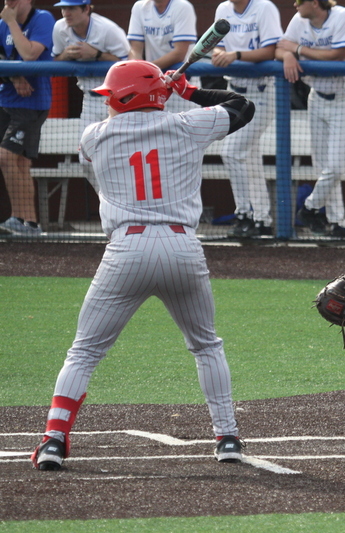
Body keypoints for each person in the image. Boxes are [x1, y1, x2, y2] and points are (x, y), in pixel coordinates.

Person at [30, 60, 255, 470]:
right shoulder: (188, 124)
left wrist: (165, 93)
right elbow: (243, 106)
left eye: (111, 96)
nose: (107, 103)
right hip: (182, 247)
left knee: (84, 352)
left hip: (126, 249)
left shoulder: (93, 136)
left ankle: (53, 441)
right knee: (206, 345)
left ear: (125, 97)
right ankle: (227, 438)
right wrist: (187, 91)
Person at [276, 0, 345, 238]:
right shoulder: (299, 20)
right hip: (316, 97)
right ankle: (337, 223)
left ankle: (310, 207)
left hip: (344, 96)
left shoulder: (343, 15)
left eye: (300, 1)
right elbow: (280, 48)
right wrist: (288, 55)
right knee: (322, 166)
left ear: (314, 2)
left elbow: (337, 54)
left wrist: (298, 50)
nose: (295, 4)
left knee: (337, 165)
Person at [213, 0, 282, 239]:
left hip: (260, 90)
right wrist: (220, 55)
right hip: (234, 91)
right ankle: (262, 220)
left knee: (232, 152)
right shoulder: (223, 9)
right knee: (249, 158)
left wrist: (236, 55)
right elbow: (217, 47)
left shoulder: (264, 7)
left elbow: (271, 51)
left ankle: (245, 214)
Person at [51, 0, 128, 189]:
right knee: (85, 159)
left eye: (72, 8)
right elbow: (54, 61)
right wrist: (66, 56)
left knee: (121, 158)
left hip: (118, 101)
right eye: (63, 8)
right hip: (89, 99)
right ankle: (107, 199)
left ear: (86, 9)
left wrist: (97, 54)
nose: (66, 13)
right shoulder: (60, 28)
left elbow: (130, 62)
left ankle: (125, 200)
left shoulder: (108, 29)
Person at [0, 0, 55, 236]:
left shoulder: (42, 18)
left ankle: (18, 217)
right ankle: (29, 223)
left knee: (5, 157)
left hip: (33, 103)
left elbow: (29, 54)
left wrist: (11, 22)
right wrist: (14, 77)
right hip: (7, 101)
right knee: (20, 162)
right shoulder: (2, 24)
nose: (9, 2)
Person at [127, 0, 198, 114]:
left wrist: (144, 71)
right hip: (153, 85)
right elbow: (135, 49)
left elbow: (179, 53)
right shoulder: (139, 7)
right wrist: (137, 70)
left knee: (184, 123)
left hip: (182, 84)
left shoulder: (183, 7)